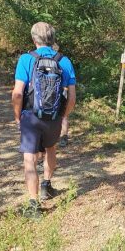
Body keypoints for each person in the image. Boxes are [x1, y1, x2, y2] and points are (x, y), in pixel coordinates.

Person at [12, 22, 76, 216]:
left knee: (30, 158)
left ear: (34, 39)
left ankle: (34, 204)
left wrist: (17, 116)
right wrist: (63, 116)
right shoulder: (64, 61)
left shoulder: (26, 59)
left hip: (31, 116)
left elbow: (17, 93)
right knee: (51, 148)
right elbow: (72, 97)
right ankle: (46, 186)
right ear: (52, 39)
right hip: (54, 116)